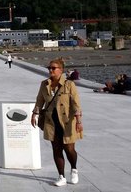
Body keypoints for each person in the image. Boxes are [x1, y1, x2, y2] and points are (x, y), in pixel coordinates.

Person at [31, 58, 83, 186]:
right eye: (49, 68)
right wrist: (35, 114)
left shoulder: (69, 84)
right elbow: (39, 101)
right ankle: (61, 176)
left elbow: (76, 104)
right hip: (51, 121)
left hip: (67, 121)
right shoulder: (44, 84)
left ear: (61, 70)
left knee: (69, 149)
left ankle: (74, 169)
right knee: (56, 149)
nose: (50, 70)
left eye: (53, 68)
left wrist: (78, 121)